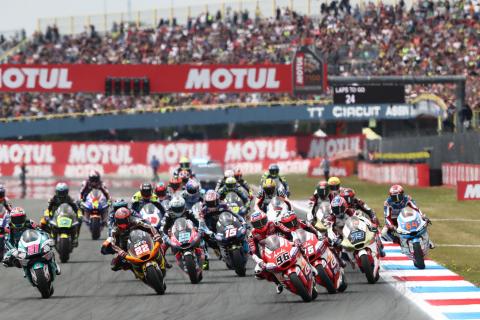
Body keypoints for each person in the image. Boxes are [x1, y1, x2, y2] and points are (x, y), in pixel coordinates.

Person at [3, 207, 61, 275]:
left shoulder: (29, 222)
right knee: (6, 260)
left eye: (20, 218)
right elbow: (7, 240)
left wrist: (47, 239)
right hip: (18, 248)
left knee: (48, 249)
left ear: (24, 217)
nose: (18, 221)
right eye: (15, 219)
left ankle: (54, 264)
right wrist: (13, 250)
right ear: (11, 219)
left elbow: (40, 231)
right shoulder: (8, 227)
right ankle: (26, 270)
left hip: (32, 242)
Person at [247, 211, 292, 294]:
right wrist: (259, 261)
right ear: (253, 225)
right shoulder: (252, 234)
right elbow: (253, 250)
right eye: (257, 224)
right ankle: (278, 282)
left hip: (283, 244)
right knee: (259, 272)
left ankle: (309, 266)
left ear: (266, 219)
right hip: (268, 252)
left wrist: (293, 240)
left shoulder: (274, 223)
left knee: (301, 247)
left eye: (262, 221)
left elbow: (288, 231)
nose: (260, 225)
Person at [161, 197, 209, 269]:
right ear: (171, 208)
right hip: (174, 233)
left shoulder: (188, 212)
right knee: (163, 243)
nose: (178, 211)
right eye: (175, 209)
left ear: (184, 207)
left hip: (188, 230)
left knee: (202, 236)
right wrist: (165, 233)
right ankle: (163, 262)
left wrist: (199, 228)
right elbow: (163, 225)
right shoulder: (168, 214)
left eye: (179, 208)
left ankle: (205, 256)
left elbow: (197, 221)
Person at [41, 182, 82, 247]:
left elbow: (77, 208)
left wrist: (79, 215)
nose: (61, 194)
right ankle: (46, 237)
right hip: (54, 216)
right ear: (56, 192)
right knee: (42, 222)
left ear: (67, 192)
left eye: (63, 192)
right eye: (60, 192)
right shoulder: (53, 199)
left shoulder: (69, 199)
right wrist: (46, 216)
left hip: (66, 215)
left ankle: (75, 237)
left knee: (79, 220)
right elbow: (47, 209)